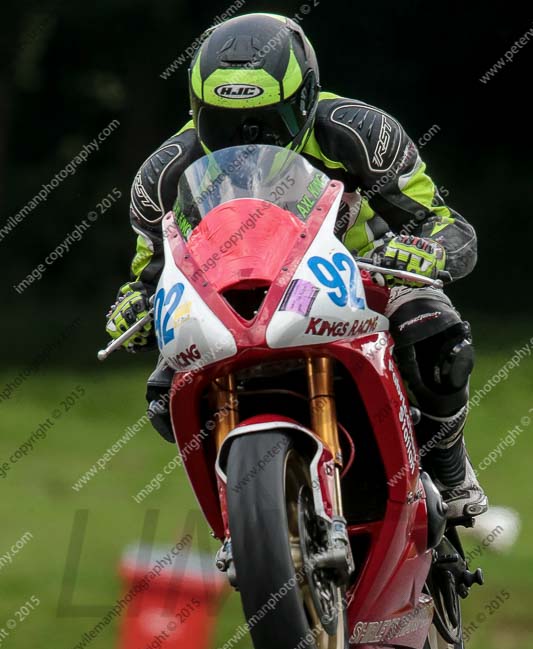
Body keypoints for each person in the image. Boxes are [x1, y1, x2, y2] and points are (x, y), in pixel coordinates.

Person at [105, 12, 487, 520]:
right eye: (224, 120)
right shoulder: (164, 172)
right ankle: (240, 510)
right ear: (197, 108)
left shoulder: (360, 132)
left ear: (305, 99)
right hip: (233, 287)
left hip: (363, 271)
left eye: (267, 120)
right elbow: (152, 269)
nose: (249, 137)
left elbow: (444, 222)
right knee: (163, 397)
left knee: (440, 340)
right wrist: (135, 301)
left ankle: (448, 462)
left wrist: (428, 249)